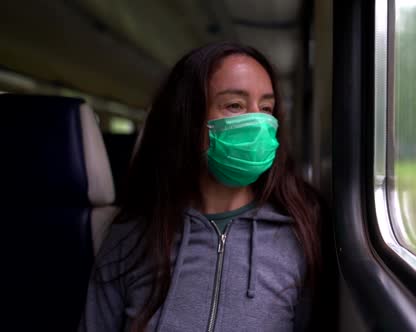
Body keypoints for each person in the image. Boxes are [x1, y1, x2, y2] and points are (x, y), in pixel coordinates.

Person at [79, 42, 324, 332]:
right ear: (189, 119)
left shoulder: (300, 231)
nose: (258, 123)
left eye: (266, 108)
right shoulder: (132, 236)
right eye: (235, 105)